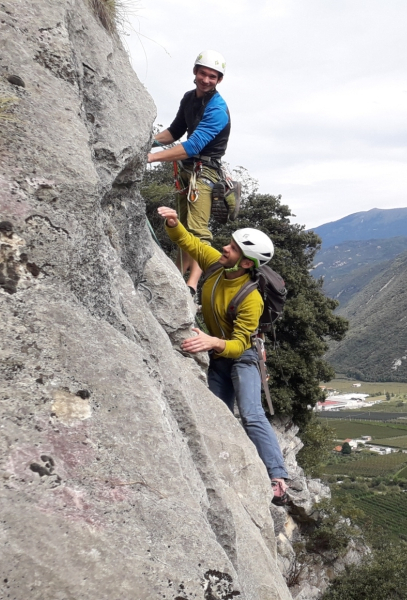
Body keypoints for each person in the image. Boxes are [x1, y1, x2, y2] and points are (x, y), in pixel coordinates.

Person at [156, 205, 289, 502]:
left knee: (252, 413)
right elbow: (191, 243)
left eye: (232, 247)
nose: (224, 248)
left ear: (245, 263)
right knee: (217, 414)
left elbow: (241, 343)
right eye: (229, 243)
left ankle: (278, 477)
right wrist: (174, 223)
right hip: (217, 354)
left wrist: (212, 342)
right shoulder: (217, 266)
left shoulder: (251, 298)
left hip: (242, 358)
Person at [148, 50, 232, 294]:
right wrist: (148, 142)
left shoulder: (217, 109)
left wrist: (151, 157)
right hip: (188, 172)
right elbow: (175, 131)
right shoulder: (189, 98)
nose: (207, 80)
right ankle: (177, 275)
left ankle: (191, 286)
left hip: (204, 174)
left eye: (213, 77)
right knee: (182, 227)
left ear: (219, 80)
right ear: (195, 72)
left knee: (197, 231)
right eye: (203, 74)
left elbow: (193, 145)